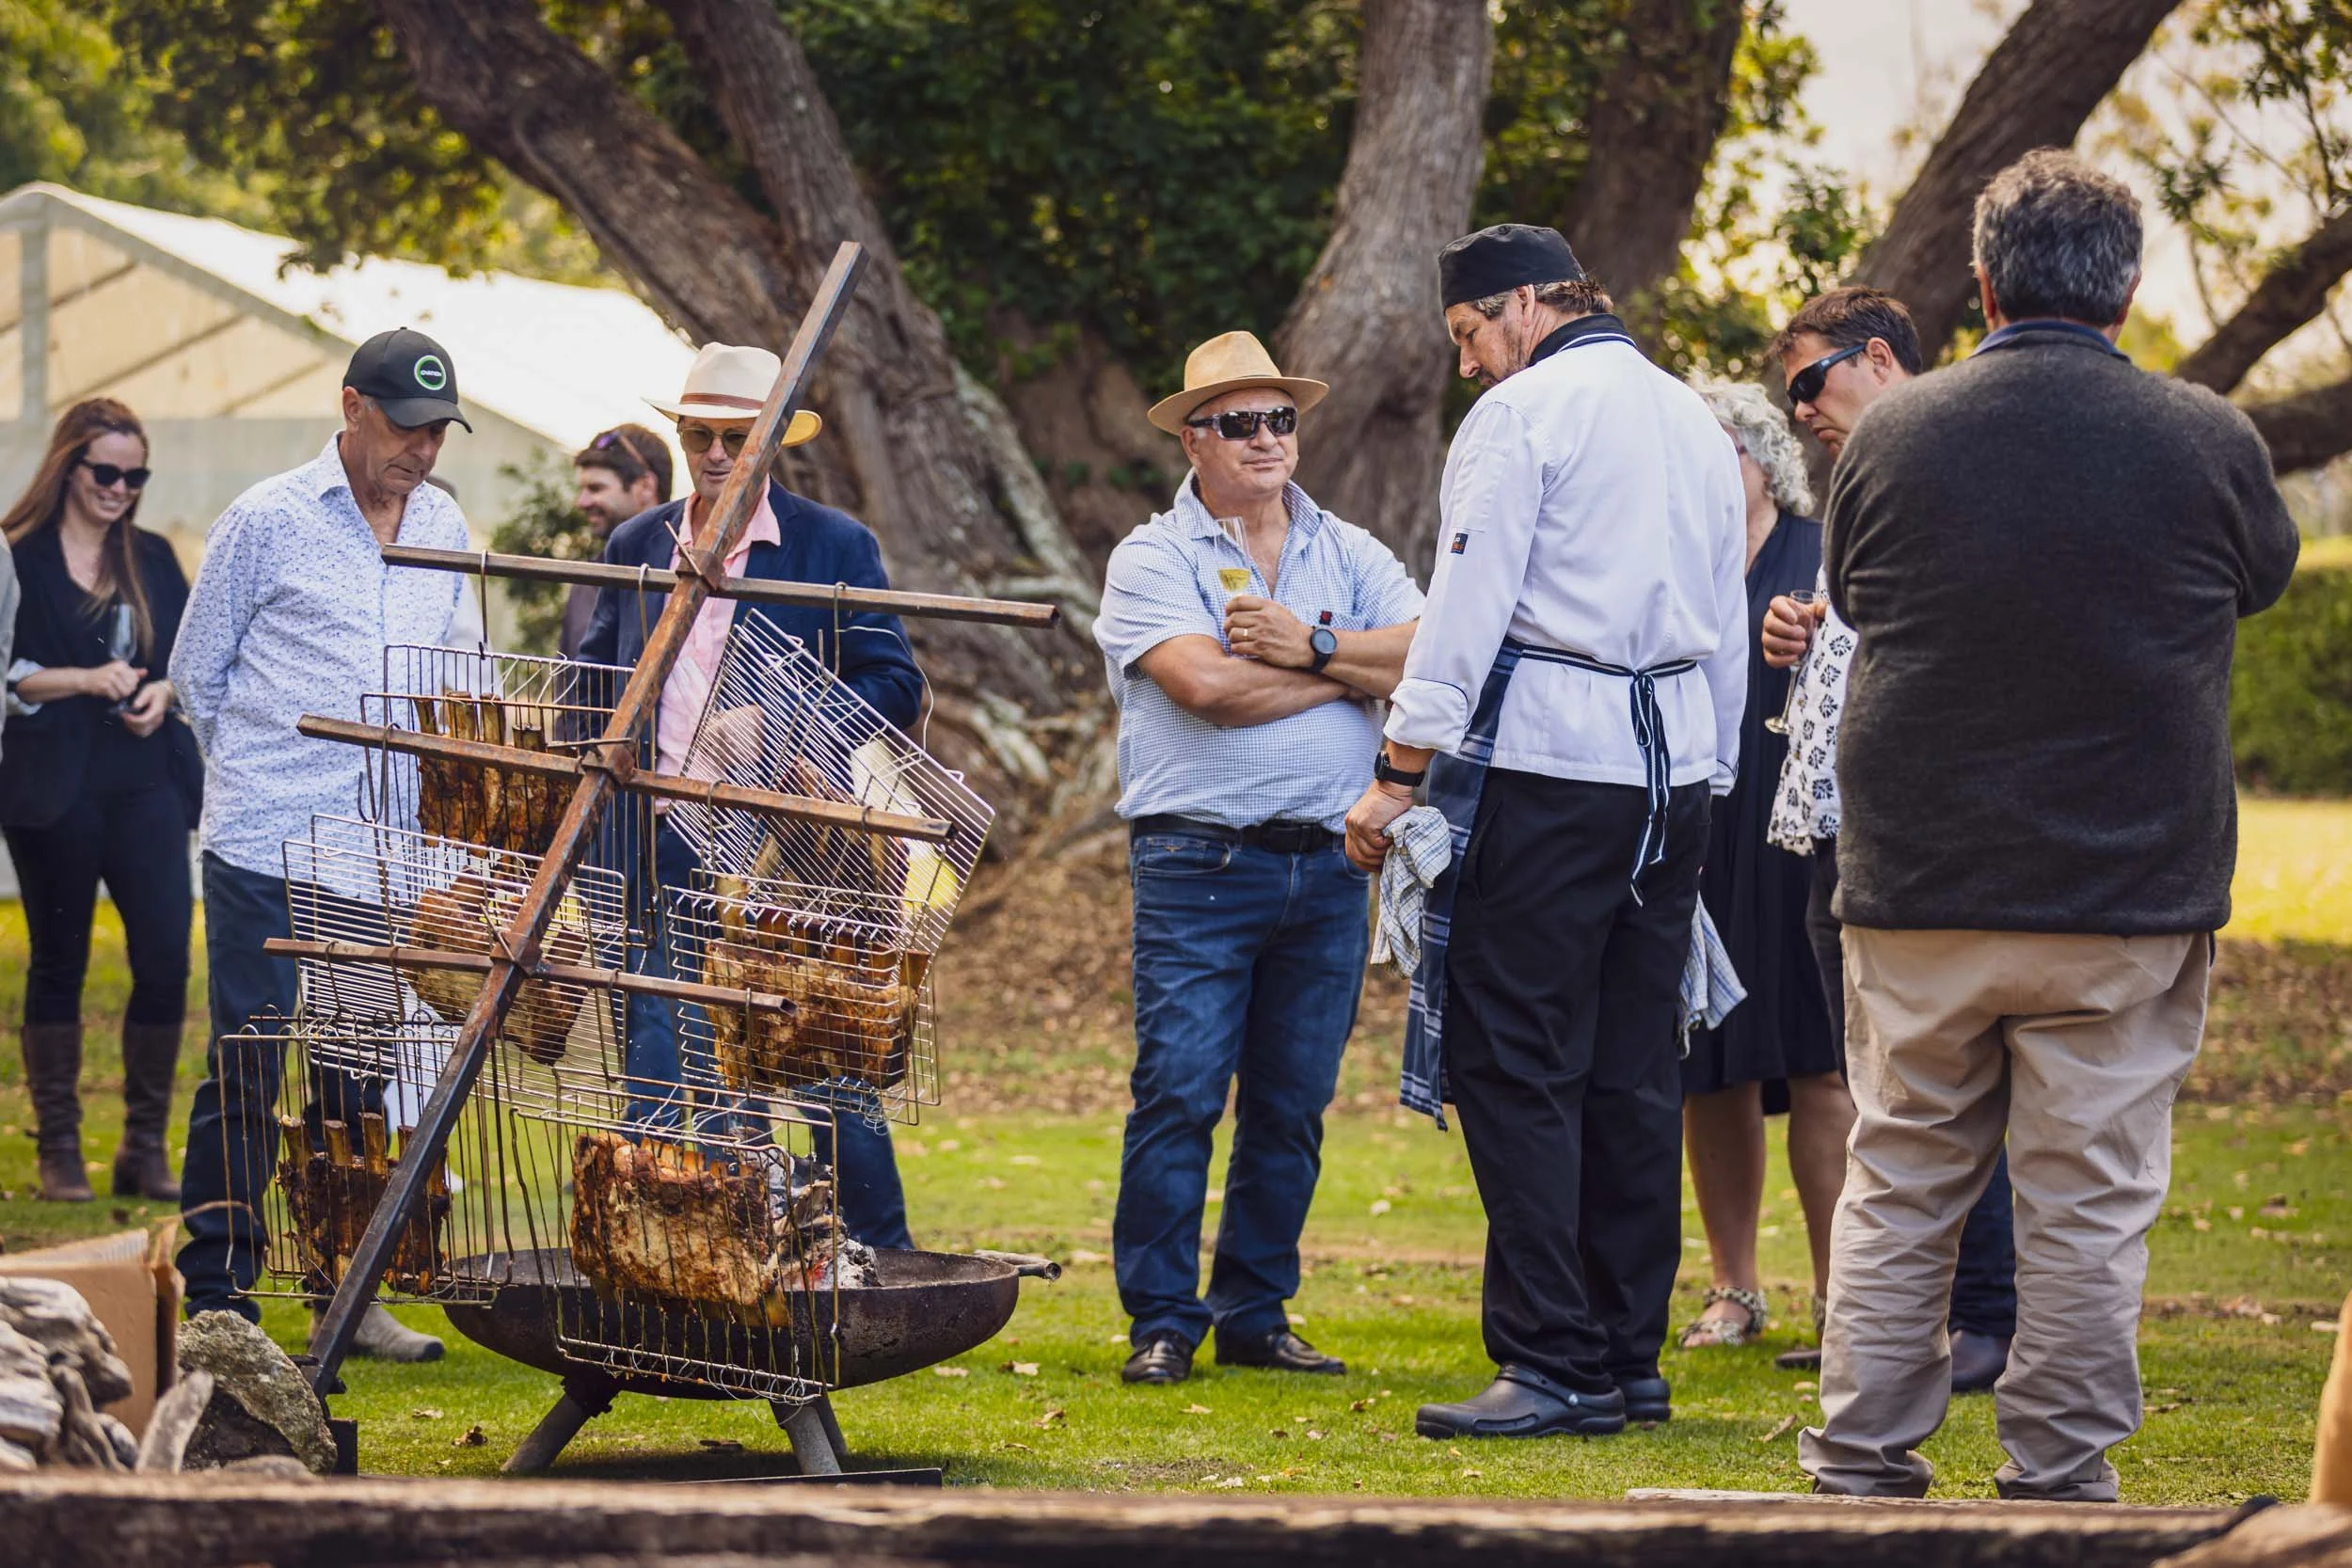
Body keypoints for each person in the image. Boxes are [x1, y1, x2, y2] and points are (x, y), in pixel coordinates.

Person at [1799, 150, 2300, 1500]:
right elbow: (2261, 575)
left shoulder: (1894, 435)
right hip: (2126, 885)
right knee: (2089, 1198)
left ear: (1980, 285)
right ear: (2129, 289)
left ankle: (1859, 1455)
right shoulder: (2208, 440)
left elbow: (1852, 589)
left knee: (1900, 1171)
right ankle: (2059, 1472)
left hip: (1920, 872)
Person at [1345, 225, 1748, 1439]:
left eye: (1470, 334)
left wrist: (1398, 770)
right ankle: (1630, 1357)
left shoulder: (1524, 417)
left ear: (1522, 304)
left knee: (1513, 1057)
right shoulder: (1689, 415)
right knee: (1635, 1064)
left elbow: (1464, 607)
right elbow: (1723, 615)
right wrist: (1711, 771)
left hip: (1554, 761)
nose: (1470, 363)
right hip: (1672, 775)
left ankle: (1551, 1356)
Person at [1095, 330, 1421, 1386]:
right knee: (1180, 1090)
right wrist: (1349, 671)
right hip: (1200, 863)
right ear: (1193, 439)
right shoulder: (1154, 555)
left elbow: (1434, 646)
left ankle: (1253, 1309)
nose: (1267, 437)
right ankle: (1159, 1316)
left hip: (1330, 861)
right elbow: (1210, 691)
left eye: (1280, 416)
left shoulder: (1349, 548)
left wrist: (1309, 644)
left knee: (1290, 1103)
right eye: (1238, 421)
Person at [171, 326, 477, 1361]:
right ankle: (217, 1288)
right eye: (405, 427)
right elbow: (197, 677)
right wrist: (261, 778)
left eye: (437, 432)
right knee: (252, 1061)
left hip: (377, 853)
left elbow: (463, 677)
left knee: (353, 1075)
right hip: (265, 839)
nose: (421, 451)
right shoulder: (265, 519)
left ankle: (344, 1294)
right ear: (351, 407)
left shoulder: (442, 522)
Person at [577, 341, 924, 1248]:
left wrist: (774, 723)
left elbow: (895, 685)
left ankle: (880, 1255)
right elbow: (593, 680)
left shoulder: (833, 545)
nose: (719, 452)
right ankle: (670, 1253)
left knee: (818, 1058)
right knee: (660, 1045)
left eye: (739, 435)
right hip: (660, 841)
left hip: (789, 854)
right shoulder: (636, 542)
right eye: (701, 434)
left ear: (773, 442)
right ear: (681, 435)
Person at [1758, 285, 2018, 1389]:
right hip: (1833, 826)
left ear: (1875, 357)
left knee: (1939, 1083)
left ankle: (1986, 1316)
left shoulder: (1952, 457)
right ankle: (1908, 1322)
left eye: (1808, 383)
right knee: (1879, 1090)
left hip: (1916, 830)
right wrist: (1803, 631)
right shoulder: (1859, 480)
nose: (1800, 410)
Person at [1672, 379, 1847, 1353]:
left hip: (1801, 837)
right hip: (1699, 833)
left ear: (1760, 458)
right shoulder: (1675, 565)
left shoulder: (1820, 551)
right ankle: (1733, 1288)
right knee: (1709, 1068)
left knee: (1819, 1064)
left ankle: (1840, 1297)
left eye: (1716, 450)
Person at [0, 398, 199, 1203]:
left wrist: (163, 692)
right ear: (69, 467)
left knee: (164, 956)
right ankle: (57, 1149)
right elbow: (7, 671)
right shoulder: (22, 557)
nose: (121, 488)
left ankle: (142, 1147)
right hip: (52, 783)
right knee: (60, 959)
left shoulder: (149, 556)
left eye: (135, 474)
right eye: (106, 472)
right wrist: (82, 678)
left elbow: (189, 653)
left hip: (143, 778)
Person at [560, 425, 672, 659]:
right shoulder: (585, 581)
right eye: (582, 489)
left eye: (596, 488)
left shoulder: (679, 577)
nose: (582, 502)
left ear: (645, 487)